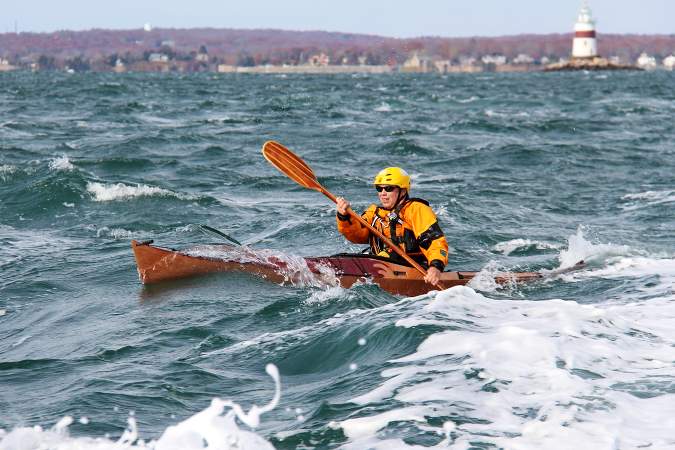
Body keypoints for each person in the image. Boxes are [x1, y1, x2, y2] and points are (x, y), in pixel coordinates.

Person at [336, 167, 448, 286]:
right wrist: (344, 217)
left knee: (387, 255)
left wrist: (435, 267)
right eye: (379, 188)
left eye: (388, 188)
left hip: (414, 266)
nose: (383, 193)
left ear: (403, 191)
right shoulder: (374, 213)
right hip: (381, 264)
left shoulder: (416, 209)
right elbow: (357, 236)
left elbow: (434, 241)